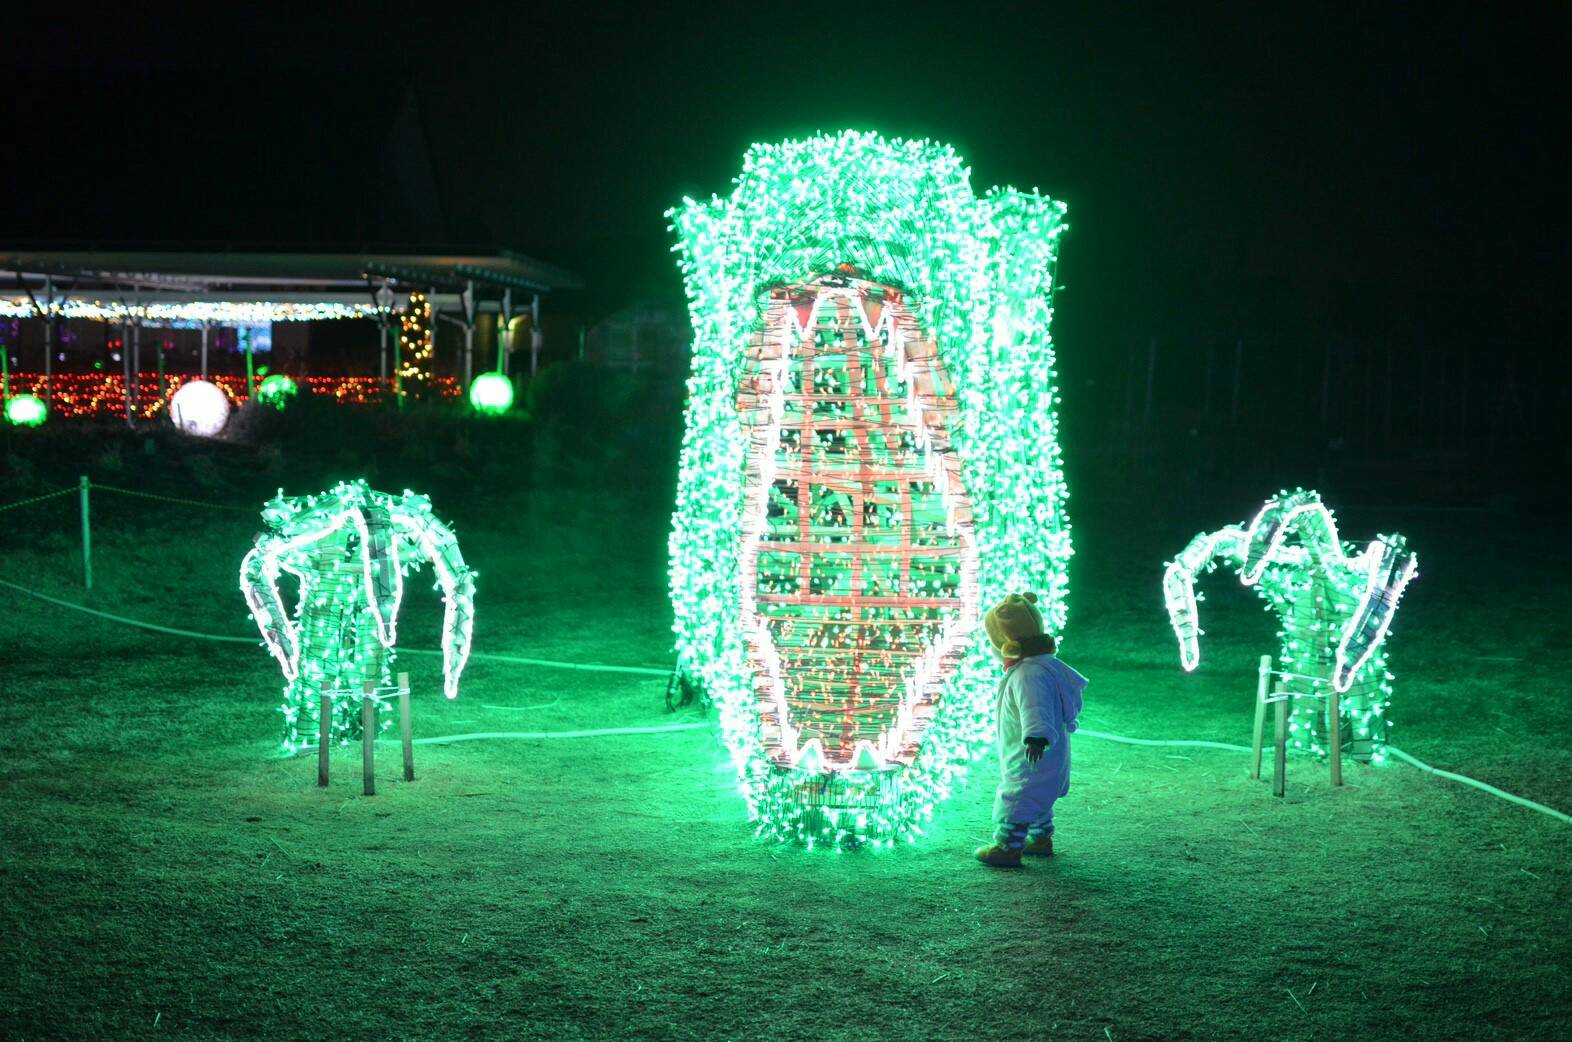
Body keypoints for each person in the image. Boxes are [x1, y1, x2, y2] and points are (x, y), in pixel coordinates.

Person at [974, 592, 1087, 868]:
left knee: (1018, 793)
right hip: (1047, 748)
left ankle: (1008, 847)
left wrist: (1036, 737)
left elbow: (1034, 707)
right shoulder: (1042, 665)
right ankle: (1040, 839)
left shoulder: (1028, 674)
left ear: (1007, 643)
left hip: (1031, 749)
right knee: (1039, 792)